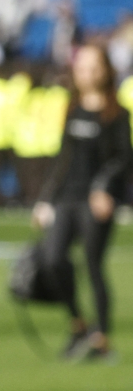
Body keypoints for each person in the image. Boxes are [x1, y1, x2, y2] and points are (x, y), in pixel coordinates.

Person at [33, 43, 132, 361]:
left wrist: (105, 189)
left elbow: (123, 158)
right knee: (53, 259)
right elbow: (63, 158)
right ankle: (78, 324)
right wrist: (45, 199)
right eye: (81, 67)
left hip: (96, 199)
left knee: (92, 264)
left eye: (92, 67)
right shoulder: (73, 107)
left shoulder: (116, 113)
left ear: (105, 71)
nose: (85, 73)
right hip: (67, 197)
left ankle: (101, 338)